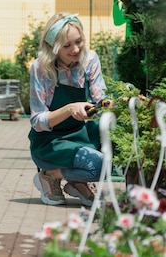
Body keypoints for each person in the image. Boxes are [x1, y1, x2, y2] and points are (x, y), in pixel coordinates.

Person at [28, 12, 109, 206]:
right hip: (49, 142)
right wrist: (70, 109)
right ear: (54, 48)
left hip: (79, 134)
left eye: (79, 42)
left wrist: (116, 103)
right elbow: (37, 121)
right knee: (100, 165)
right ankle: (50, 175)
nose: (75, 49)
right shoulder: (41, 68)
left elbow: (101, 99)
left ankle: (76, 181)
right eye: (67, 46)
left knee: (118, 141)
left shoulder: (90, 59)